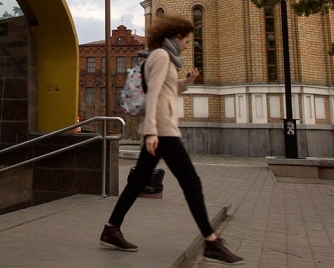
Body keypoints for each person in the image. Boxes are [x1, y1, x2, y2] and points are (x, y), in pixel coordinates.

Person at [100, 14, 244, 265]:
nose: (188, 45)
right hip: (163, 131)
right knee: (191, 181)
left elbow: (166, 89)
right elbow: (154, 93)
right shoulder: (160, 56)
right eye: (187, 41)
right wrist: (152, 131)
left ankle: (111, 229)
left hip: (160, 130)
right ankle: (211, 242)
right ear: (176, 37)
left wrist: (186, 82)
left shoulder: (165, 58)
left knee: (137, 183)